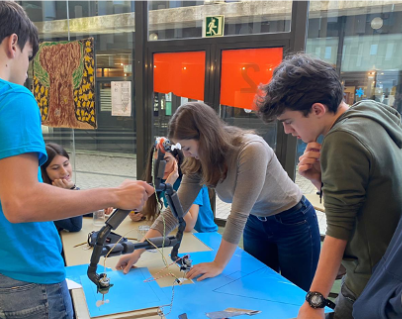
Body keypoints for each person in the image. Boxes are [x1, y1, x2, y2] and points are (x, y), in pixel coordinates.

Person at [0, 2, 153, 319]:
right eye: (30, 57)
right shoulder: (10, 97)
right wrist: (113, 195)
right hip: (25, 275)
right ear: (14, 44)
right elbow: (22, 201)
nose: (28, 69)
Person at [256, 53, 402, 319]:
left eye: (289, 121)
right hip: (384, 271)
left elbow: (337, 231)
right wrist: (319, 180)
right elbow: (370, 199)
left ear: (317, 110)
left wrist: (314, 303)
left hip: (379, 288)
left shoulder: (341, 139)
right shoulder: (374, 111)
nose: (289, 131)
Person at [117, 102, 321, 291]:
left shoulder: (251, 150)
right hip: (256, 221)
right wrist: (138, 249)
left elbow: (237, 215)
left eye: (187, 148)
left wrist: (218, 264)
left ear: (205, 138)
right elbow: (174, 213)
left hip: (294, 221)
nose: (186, 155)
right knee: (257, 287)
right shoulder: (198, 160)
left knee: (296, 293)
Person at [129, 142, 218, 233]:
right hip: (181, 233)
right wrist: (137, 212)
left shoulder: (191, 180)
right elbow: (148, 206)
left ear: (177, 159)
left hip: (203, 235)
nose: (161, 167)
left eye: (166, 161)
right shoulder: (163, 178)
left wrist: (169, 189)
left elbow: (188, 225)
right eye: (156, 162)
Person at [41, 142, 82, 232]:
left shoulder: (60, 188)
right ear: (44, 171)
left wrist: (100, 209)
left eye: (66, 164)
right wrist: (72, 190)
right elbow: (75, 226)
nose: (64, 172)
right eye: (55, 168)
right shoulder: (46, 198)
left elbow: (83, 210)